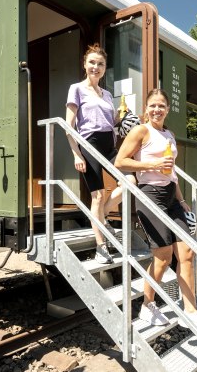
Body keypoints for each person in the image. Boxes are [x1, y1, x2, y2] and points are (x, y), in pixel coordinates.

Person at [114, 89, 197, 333]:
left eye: (161, 106)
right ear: (146, 109)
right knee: (163, 257)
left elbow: (171, 171)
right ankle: (147, 305)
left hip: (171, 197)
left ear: (167, 109)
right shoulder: (141, 130)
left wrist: (181, 200)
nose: (157, 110)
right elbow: (120, 161)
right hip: (150, 195)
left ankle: (190, 311)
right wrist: (152, 164)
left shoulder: (169, 134)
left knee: (188, 253)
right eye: (152, 106)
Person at [66, 43, 131, 264]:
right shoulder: (76, 88)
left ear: (105, 68)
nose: (96, 66)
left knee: (129, 182)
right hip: (89, 142)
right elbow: (69, 125)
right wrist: (76, 154)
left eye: (100, 64)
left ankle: (100, 218)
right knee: (99, 194)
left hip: (109, 144)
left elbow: (111, 122)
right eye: (92, 62)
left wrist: (123, 118)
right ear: (85, 64)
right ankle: (101, 247)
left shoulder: (107, 94)